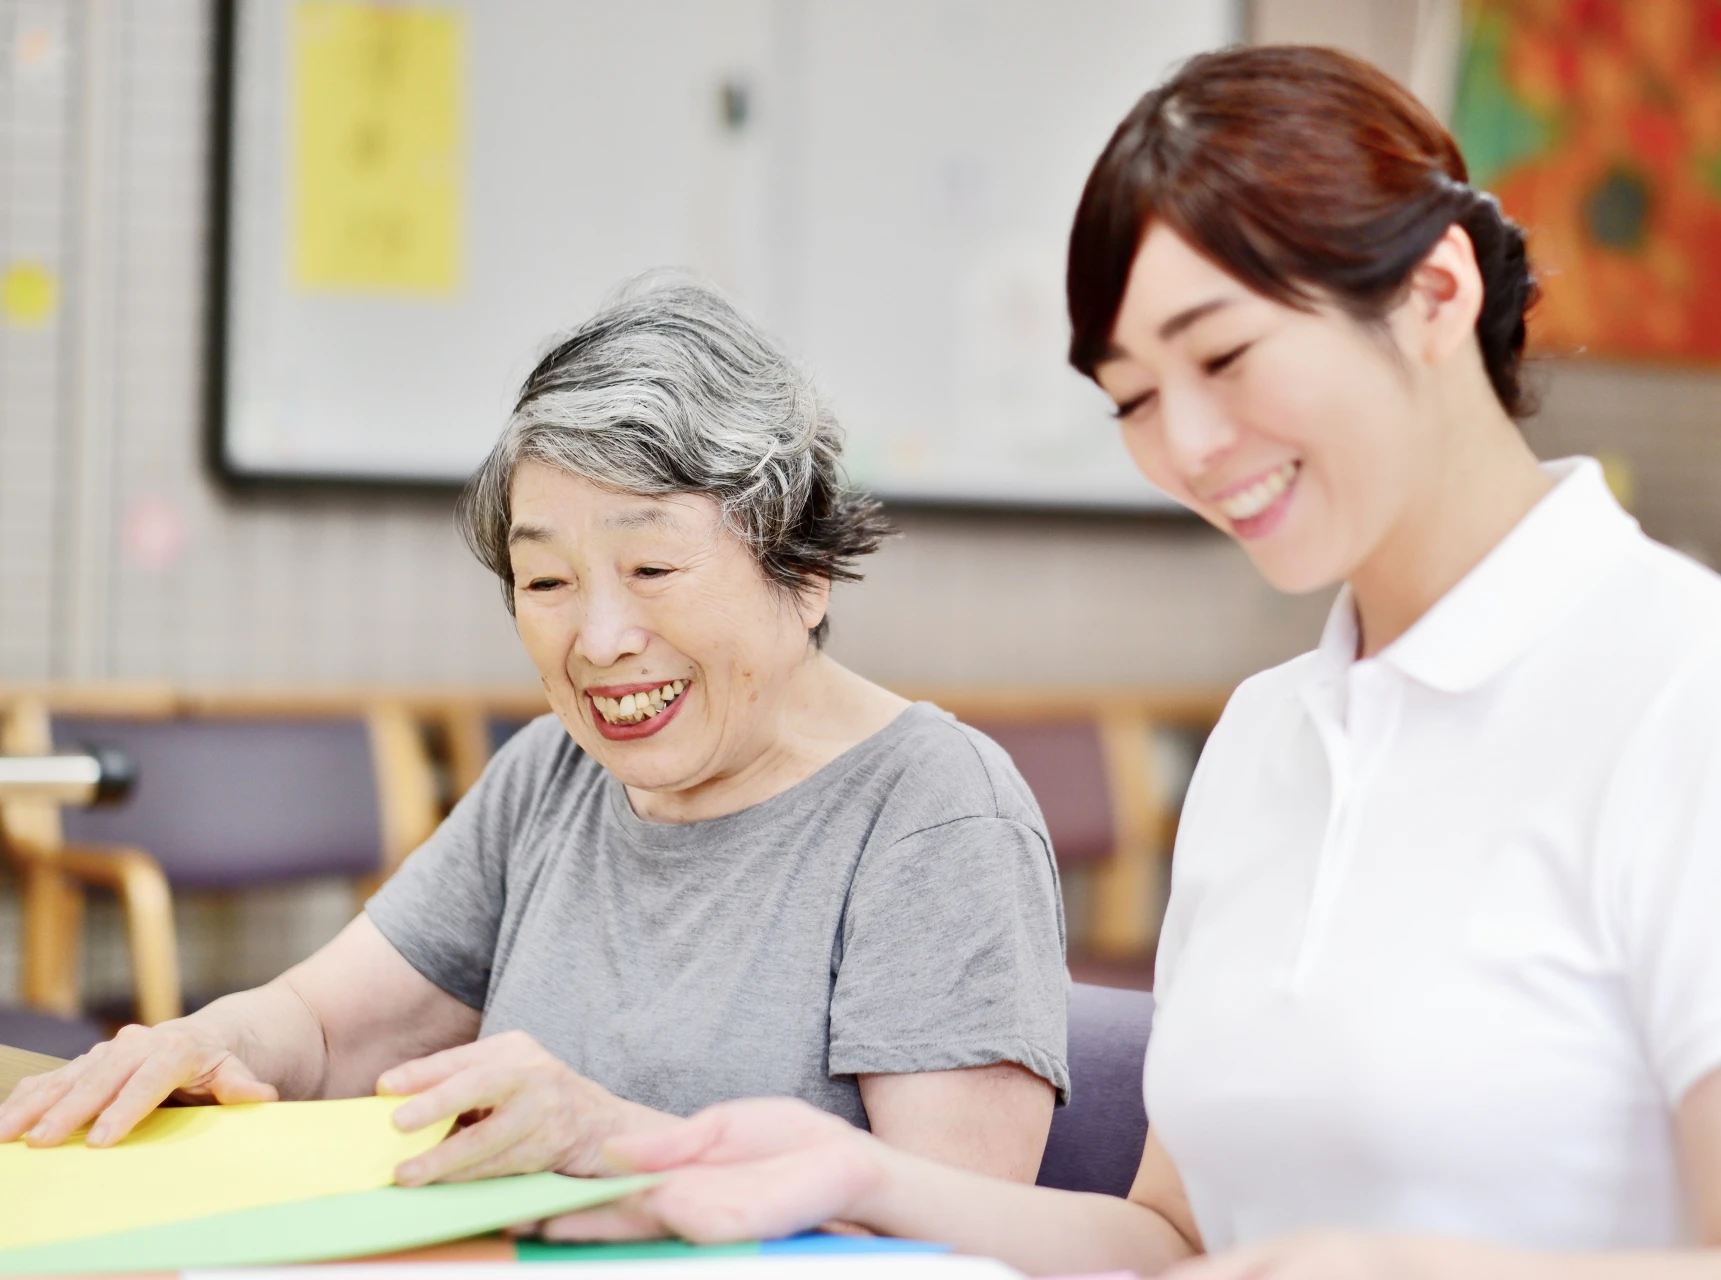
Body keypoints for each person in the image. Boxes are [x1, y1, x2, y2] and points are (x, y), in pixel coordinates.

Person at [526, 46, 1721, 1279]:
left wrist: (1398, 1268)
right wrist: (858, 1176)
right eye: (1135, 399)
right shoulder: (1266, 737)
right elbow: (1171, 1239)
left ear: (1435, 293)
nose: (1187, 448)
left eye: (1226, 356)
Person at [0, 274, 1069, 1188]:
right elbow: (327, 1028)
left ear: (807, 567)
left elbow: (955, 1228)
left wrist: (621, 1143)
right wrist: (208, 1039)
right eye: (547, 579)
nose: (598, 640)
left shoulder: (936, 811)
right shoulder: (554, 773)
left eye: (652, 567)